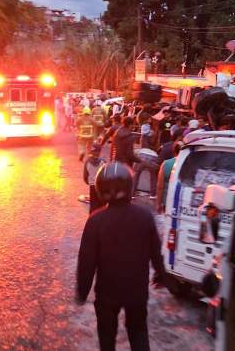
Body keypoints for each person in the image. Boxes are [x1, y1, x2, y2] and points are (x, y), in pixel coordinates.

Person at [76, 163, 166, 351]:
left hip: (107, 293)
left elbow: (86, 262)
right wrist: (161, 274)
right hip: (137, 290)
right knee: (138, 331)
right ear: (129, 187)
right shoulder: (144, 216)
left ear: (100, 190)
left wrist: (82, 292)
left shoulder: (96, 221)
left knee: (107, 337)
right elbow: (155, 250)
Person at [155, 141, 182, 214]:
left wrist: (158, 204)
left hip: (167, 201)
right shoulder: (188, 164)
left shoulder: (166, 164)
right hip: (181, 202)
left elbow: (160, 186)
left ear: (174, 151)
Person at [83, 143, 107, 214]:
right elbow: (106, 175)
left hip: (92, 186)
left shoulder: (87, 162)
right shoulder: (103, 162)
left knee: (93, 204)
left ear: (91, 152)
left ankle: (92, 219)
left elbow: (85, 177)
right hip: (101, 186)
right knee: (102, 205)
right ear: (99, 152)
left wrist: (90, 182)